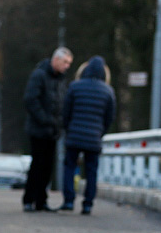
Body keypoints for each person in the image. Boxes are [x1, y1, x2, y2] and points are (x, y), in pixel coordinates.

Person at [60, 56, 115, 215]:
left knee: (69, 167)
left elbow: (66, 112)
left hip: (74, 136)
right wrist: (100, 133)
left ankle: (69, 201)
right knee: (91, 171)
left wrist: (68, 130)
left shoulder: (75, 87)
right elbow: (109, 117)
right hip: (94, 138)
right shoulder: (107, 91)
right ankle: (88, 204)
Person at [22, 47, 73, 212]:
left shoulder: (60, 80)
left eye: (69, 63)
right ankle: (29, 200)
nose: (67, 66)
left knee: (47, 167)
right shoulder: (39, 75)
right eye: (65, 62)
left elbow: (60, 103)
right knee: (37, 165)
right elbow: (31, 100)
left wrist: (58, 123)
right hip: (38, 129)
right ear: (56, 60)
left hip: (52, 131)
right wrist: (45, 120)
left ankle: (41, 201)